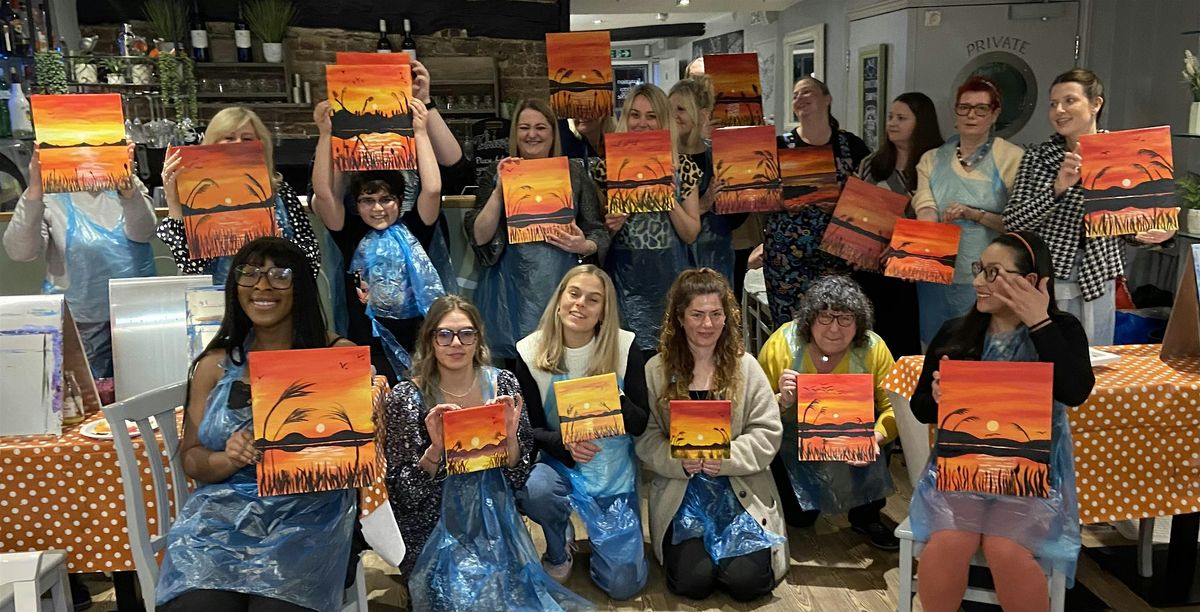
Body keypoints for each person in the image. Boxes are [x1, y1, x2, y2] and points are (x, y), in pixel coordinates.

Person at [156, 237, 359, 612]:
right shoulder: (213, 365)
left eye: (279, 275)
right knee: (198, 607)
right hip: (220, 523)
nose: (263, 286)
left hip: (308, 520)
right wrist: (228, 459)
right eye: (249, 274)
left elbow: (357, 453)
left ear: (300, 286)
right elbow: (192, 459)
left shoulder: (336, 357)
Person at [908, 231, 1094, 612]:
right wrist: (939, 399)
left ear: (1031, 281)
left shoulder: (1062, 330)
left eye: (993, 273)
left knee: (1005, 548)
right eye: (979, 269)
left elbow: (1075, 390)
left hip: (1033, 476)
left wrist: (1039, 321)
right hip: (962, 471)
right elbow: (920, 407)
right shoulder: (956, 333)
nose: (978, 281)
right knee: (948, 543)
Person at [384, 295, 591, 610]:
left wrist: (510, 439)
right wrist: (435, 450)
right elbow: (403, 495)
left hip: (496, 515)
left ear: (478, 338)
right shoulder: (406, 397)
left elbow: (518, 475)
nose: (456, 343)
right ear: (430, 340)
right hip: (435, 523)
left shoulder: (503, 384)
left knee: (506, 599)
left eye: (466, 334)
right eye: (445, 334)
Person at [637, 268, 788, 602]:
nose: (707, 324)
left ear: (726, 317)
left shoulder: (747, 367)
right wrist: (677, 461)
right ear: (679, 318)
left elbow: (767, 431)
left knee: (747, 584)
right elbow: (646, 437)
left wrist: (727, 458)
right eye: (697, 314)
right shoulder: (656, 370)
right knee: (693, 583)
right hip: (683, 494)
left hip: (740, 489)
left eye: (716, 314)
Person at [1004, 68, 1173, 346]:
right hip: (1049, 277)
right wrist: (1057, 188)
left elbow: (1129, 228)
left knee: (1096, 355)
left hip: (1101, 275)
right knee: (1050, 353)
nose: (1059, 110)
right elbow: (1013, 222)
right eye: (1053, 104)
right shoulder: (1037, 157)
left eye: (1069, 101)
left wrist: (1155, 234)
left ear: (1096, 104)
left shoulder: (1125, 153)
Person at [513, 265, 649, 599]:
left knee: (623, 585)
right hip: (560, 463)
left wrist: (613, 398)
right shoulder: (529, 351)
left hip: (612, 469)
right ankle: (558, 542)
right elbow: (529, 429)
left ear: (604, 311)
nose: (581, 304)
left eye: (593, 299)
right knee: (536, 491)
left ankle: (608, 551)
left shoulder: (625, 346)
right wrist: (564, 444)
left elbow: (640, 423)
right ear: (559, 299)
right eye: (574, 294)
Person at [757, 275, 900, 550]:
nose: (834, 328)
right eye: (825, 317)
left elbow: (893, 407)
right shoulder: (781, 345)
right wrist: (781, 400)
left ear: (859, 323)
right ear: (809, 320)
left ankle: (867, 515)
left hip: (855, 441)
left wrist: (877, 437)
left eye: (845, 318)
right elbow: (754, 413)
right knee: (799, 520)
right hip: (793, 443)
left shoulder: (874, 348)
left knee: (882, 434)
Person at [466, 99, 610, 364]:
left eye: (540, 127)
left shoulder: (574, 173)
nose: (532, 134)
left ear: (553, 133)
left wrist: (584, 246)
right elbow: (479, 236)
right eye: (524, 127)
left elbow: (598, 231)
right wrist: (499, 190)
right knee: (517, 370)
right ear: (515, 133)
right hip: (509, 294)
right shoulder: (494, 173)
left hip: (562, 286)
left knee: (563, 368)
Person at [310, 97, 444, 382]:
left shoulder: (416, 228)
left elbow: (432, 190)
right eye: (367, 201)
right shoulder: (350, 233)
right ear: (357, 204)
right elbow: (324, 195)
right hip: (368, 344)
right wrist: (326, 135)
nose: (378, 208)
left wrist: (420, 132)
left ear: (400, 200)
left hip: (419, 345)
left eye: (386, 199)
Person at [3, 143, 156, 379]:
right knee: (89, 394)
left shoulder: (127, 184)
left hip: (135, 317)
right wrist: (34, 191)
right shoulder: (51, 194)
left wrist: (129, 192)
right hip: (80, 323)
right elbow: (20, 252)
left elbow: (143, 233)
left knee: (142, 385)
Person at [911, 77, 1024, 347]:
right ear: (956, 113)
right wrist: (925, 228)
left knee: (982, 351)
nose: (971, 115)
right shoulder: (932, 159)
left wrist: (975, 215)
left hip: (990, 277)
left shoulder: (1013, 158)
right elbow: (925, 205)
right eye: (964, 108)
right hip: (935, 274)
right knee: (934, 349)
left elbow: (1020, 222)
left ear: (994, 114)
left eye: (981, 109)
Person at [159, 107, 320, 284]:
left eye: (247, 138)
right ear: (212, 143)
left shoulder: (281, 192)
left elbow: (311, 256)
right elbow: (191, 267)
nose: (238, 144)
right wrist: (173, 201)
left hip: (275, 293)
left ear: (261, 144)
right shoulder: (197, 195)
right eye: (229, 138)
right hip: (219, 296)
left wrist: (282, 249)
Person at [600, 84, 702, 358]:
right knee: (627, 362)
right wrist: (611, 227)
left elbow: (691, 233)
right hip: (623, 284)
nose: (642, 123)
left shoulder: (684, 168)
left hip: (670, 281)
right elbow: (596, 237)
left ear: (664, 120)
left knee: (673, 361)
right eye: (635, 115)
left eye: (651, 116)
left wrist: (667, 195)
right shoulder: (605, 168)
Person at [763, 77, 871, 328]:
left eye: (807, 92)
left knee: (836, 324)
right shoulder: (778, 146)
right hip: (786, 258)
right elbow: (757, 197)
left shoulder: (851, 145)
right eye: (795, 95)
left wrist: (840, 206)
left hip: (839, 255)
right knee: (791, 328)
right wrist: (781, 200)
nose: (800, 98)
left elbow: (871, 199)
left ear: (827, 99)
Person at [853, 92, 945, 358]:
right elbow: (855, 213)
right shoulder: (871, 164)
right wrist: (856, 246)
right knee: (869, 347)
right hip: (869, 271)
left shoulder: (937, 165)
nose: (892, 123)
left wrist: (901, 245)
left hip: (914, 276)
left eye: (901, 118)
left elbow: (940, 221)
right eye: (891, 117)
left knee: (907, 348)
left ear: (921, 123)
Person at [670, 76, 746, 286]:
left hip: (716, 258)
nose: (673, 115)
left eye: (681, 109)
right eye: (669, 109)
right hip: (673, 260)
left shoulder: (720, 157)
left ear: (702, 115)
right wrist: (702, 205)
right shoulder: (661, 159)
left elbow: (737, 218)